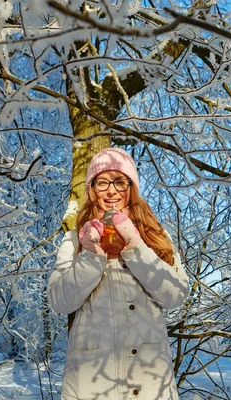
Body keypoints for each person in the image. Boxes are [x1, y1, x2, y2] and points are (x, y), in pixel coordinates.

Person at [47, 148, 189, 399]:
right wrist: (91, 255)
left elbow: (175, 295)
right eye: (102, 182)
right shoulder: (74, 239)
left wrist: (136, 247)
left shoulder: (155, 235)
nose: (111, 190)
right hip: (91, 383)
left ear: (131, 188)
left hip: (150, 382)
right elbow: (60, 301)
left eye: (120, 181)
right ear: (92, 190)